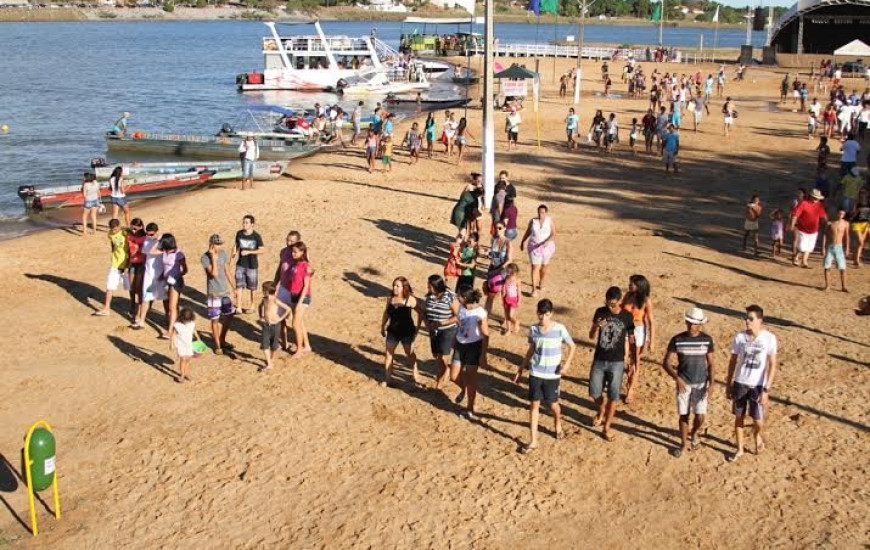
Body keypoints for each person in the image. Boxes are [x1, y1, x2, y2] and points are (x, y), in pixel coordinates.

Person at [513, 299, 577, 454]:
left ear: (551, 314)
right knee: (534, 405)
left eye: (546, 315)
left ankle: (558, 423)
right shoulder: (533, 329)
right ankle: (533, 440)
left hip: (553, 374)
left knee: (553, 404)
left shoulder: (560, 328)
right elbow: (531, 349)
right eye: (540, 315)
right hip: (536, 371)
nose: (543, 319)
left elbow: (572, 346)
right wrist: (522, 367)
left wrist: (567, 364)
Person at [725, 305, 778, 463]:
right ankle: (740, 448)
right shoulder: (739, 337)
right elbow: (733, 361)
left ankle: (757, 435)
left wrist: (767, 389)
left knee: (758, 421)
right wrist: (729, 383)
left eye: (750, 318)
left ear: (760, 320)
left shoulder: (769, 338)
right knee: (739, 416)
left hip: (757, 385)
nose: (746, 321)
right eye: (746, 318)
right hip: (740, 382)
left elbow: (772, 364)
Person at [661, 307, 715, 458]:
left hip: (701, 383)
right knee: (684, 414)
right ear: (686, 322)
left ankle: (695, 432)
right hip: (684, 383)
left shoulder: (707, 340)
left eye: (695, 324)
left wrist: (712, 384)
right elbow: (666, 363)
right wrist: (677, 378)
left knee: (700, 416)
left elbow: (711, 364)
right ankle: (684, 443)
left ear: (701, 325)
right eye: (690, 323)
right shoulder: (677, 339)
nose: (692, 326)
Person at [588, 286, 634, 442]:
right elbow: (591, 335)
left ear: (620, 301)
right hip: (599, 359)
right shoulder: (600, 312)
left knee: (613, 396)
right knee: (594, 392)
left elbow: (631, 338)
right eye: (608, 303)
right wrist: (596, 326)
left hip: (617, 362)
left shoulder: (627, 317)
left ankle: (606, 427)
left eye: (613, 304)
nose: (610, 307)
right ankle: (601, 409)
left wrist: (632, 359)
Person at [453, 287, 489, 421]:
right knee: (453, 376)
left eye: (459, 296)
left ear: (465, 298)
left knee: (471, 379)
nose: (457, 297)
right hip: (459, 344)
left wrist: (483, 355)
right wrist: (454, 340)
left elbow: (485, 335)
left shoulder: (480, 313)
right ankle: (464, 389)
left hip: (474, 347)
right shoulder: (462, 308)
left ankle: (470, 407)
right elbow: (459, 324)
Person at [380, 277, 421, 387]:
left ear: (404, 287)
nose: (395, 288)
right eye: (394, 285)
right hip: (392, 331)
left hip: (406, 332)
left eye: (398, 286)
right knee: (389, 354)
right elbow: (386, 313)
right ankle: (388, 378)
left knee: (409, 353)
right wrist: (382, 326)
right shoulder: (390, 298)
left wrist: (418, 328)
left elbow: (421, 312)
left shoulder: (410, 299)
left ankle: (415, 372)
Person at [621, 274, 655, 405]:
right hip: (626, 329)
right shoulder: (628, 296)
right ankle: (628, 377)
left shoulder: (646, 300)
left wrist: (652, 341)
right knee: (624, 357)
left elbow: (651, 321)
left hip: (638, 330)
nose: (630, 285)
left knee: (635, 361)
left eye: (632, 283)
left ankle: (630, 390)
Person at [423, 275, 460, 391]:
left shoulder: (450, 296)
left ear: (436, 286)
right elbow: (425, 312)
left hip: (448, 330)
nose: (428, 288)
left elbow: (458, 316)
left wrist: (442, 323)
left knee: (443, 357)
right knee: (436, 356)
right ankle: (446, 371)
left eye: (430, 286)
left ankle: (440, 382)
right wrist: (427, 323)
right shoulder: (429, 296)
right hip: (433, 330)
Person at [201, 234, 236, 355]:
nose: (219, 246)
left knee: (229, 316)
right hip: (213, 293)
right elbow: (214, 274)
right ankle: (217, 344)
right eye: (217, 244)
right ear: (211, 244)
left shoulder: (223, 253)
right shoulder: (205, 258)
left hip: (224, 292)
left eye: (220, 244)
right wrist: (213, 258)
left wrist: (234, 287)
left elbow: (227, 271)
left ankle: (222, 338)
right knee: (215, 320)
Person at [135, 222, 167, 334]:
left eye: (152, 234)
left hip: (161, 273)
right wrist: (155, 239)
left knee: (165, 299)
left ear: (157, 231)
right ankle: (142, 321)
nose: (150, 236)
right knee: (146, 297)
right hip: (149, 273)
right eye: (148, 234)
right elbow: (147, 252)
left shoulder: (164, 240)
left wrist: (158, 239)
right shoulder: (148, 240)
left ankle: (168, 320)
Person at [94, 218, 129, 317]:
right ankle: (106, 308)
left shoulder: (126, 233)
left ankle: (133, 308)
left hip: (126, 265)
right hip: (115, 264)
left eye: (115, 229)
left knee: (131, 289)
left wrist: (128, 265)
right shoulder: (110, 234)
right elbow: (113, 244)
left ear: (119, 226)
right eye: (112, 229)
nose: (113, 231)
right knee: (110, 286)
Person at [520, 204, 556, 298]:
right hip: (534, 247)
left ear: (546, 213)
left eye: (543, 212)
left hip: (546, 248)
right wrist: (523, 241)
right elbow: (528, 232)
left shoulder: (549, 221)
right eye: (539, 212)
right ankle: (534, 289)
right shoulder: (533, 221)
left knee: (544, 267)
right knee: (535, 267)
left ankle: (541, 282)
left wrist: (548, 241)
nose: (541, 214)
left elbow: (554, 233)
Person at [232, 214, 265, 314]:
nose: (244, 224)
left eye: (246, 222)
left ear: (252, 224)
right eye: (243, 222)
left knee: (252, 287)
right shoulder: (239, 234)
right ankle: (239, 307)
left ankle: (252, 306)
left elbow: (262, 250)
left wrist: (249, 252)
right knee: (239, 285)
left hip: (252, 265)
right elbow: (236, 245)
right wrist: (233, 255)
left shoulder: (256, 236)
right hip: (240, 264)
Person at [156, 233, 187, 336]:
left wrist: (176, 276)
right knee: (169, 305)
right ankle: (176, 325)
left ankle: (170, 331)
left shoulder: (179, 255)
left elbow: (185, 270)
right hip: (166, 281)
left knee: (172, 307)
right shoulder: (165, 252)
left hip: (175, 282)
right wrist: (162, 275)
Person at [258, 281, 292, 371]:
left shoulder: (275, 300)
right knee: (265, 344)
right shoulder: (264, 299)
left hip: (275, 325)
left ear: (267, 291)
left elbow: (288, 309)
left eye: (263, 289)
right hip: (266, 324)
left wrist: (280, 319)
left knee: (274, 345)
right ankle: (269, 363)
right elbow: (260, 306)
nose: (262, 291)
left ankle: (271, 358)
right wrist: (260, 316)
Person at [790, 188, 828, 268]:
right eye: (815, 198)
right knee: (802, 247)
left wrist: (827, 223)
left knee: (809, 247)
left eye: (817, 198)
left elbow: (823, 215)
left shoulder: (819, 205)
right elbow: (796, 214)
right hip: (802, 229)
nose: (816, 199)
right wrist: (792, 225)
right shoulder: (803, 203)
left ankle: (804, 261)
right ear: (811, 196)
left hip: (814, 230)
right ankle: (796, 256)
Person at [287, 241, 312, 357]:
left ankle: (299, 349)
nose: (293, 254)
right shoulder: (296, 264)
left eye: (295, 252)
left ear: (302, 252)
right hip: (294, 295)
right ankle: (306, 346)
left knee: (295, 324)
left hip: (302, 296)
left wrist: (299, 302)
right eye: (292, 251)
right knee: (300, 323)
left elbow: (306, 286)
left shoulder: (305, 266)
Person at [169, 307, 201, 384]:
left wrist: (198, 338)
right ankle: (182, 374)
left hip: (189, 344)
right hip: (180, 345)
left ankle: (186, 372)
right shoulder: (177, 325)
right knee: (183, 359)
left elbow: (194, 330)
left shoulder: (191, 323)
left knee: (188, 359)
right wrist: (172, 344)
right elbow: (173, 335)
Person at [823, 209, 849, 292]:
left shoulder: (846, 224)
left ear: (844, 215)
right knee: (827, 266)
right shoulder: (830, 223)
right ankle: (827, 286)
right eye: (840, 213)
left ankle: (844, 286)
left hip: (839, 246)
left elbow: (846, 236)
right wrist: (823, 247)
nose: (841, 215)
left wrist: (847, 248)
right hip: (830, 246)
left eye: (842, 213)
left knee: (842, 267)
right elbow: (825, 235)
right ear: (837, 213)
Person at [126, 218, 146, 319]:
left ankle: (139, 307)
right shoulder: (129, 236)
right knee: (131, 287)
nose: (133, 230)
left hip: (141, 264)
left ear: (141, 227)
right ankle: (132, 304)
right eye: (132, 228)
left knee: (138, 288)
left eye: (135, 228)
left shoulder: (144, 237)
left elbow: (144, 251)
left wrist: (137, 252)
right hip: (132, 263)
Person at [850, 188, 869, 266]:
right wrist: (857, 211)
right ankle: (856, 259)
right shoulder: (856, 203)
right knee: (860, 241)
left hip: (865, 223)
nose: (863, 195)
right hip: (857, 223)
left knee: (860, 243)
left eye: (864, 193)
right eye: (861, 194)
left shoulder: (868, 202)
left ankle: (856, 259)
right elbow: (853, 214)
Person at [501, 262, 521, 335]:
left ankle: (516, 322)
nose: (507, 272)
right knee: (507, 316)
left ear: (513, 272)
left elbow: (519, 291)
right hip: (506, 299)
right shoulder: (506, 278)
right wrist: (502, 298)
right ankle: (508, 330)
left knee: (510, 315)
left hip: (513, 299)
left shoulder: (517, 280)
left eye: (509, 271)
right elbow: (504, 290)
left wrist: (519, 301)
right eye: (507, 271)